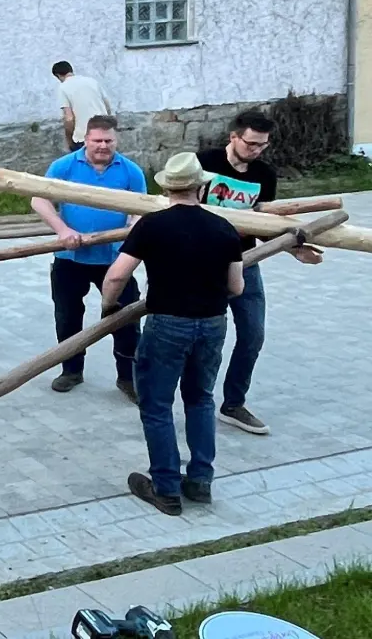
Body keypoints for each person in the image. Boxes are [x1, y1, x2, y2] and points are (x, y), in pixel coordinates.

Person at [100, 153, 245, 516]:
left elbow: (117, 275)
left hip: (167, 323)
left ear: (165, 188)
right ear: (202, 186)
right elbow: (237, 287)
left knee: (157, 405)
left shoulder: (152, 226)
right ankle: (200, 481)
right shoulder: (224, 228)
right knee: (200, 400)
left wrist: (108, 307)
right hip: (213, 323)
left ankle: (165, 489)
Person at [196, 110, 323, 436]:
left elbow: (265, 225)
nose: (255, 151)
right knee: (205, 338)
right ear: (234, 137)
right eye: (250, 144)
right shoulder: (204, 162)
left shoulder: (264, 174)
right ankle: (198, 402)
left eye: (261, 146)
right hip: (201, 264)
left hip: (245, 261)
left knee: (253, 334)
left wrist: (295, 249)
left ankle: (233, 404)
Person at [32, 115, 144, 400]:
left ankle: (128, 377)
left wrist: (133, 228)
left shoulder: (130, 171)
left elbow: (141, 207)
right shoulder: (65, 166)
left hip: (116, 259)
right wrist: (62, 229)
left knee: (126, 319)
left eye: (109, 141)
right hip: (71, 257)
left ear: (116, 140)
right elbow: (38, 198)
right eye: (97, 141)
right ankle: (71, 370)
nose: (103, 146)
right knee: (68, 317)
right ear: (86, 139)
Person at [52, 61, 113, 152]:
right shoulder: (92, 81)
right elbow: (107, 107)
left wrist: (70, 139)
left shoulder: (63, 87)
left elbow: (69, 118)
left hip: (83, 137)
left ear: (58, 76)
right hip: (104, 133)